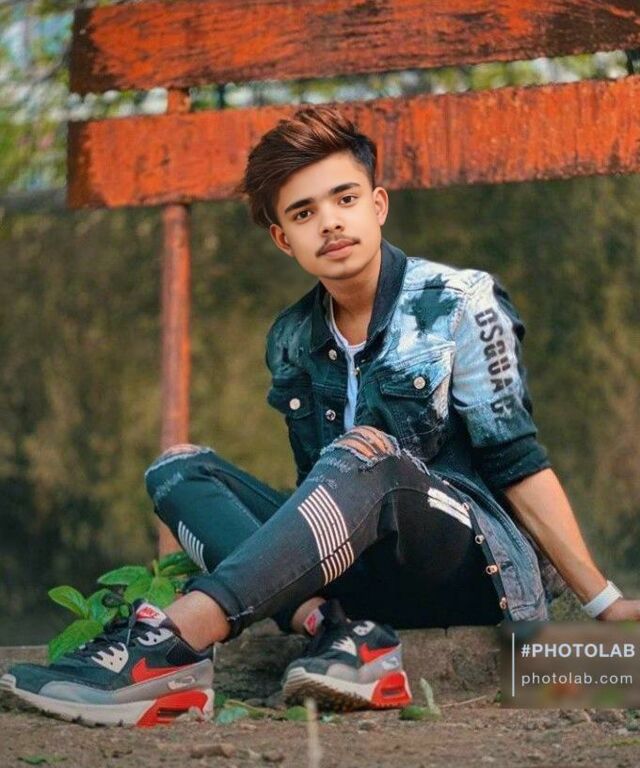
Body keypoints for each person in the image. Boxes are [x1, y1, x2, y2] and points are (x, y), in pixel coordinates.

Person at [2, 106, 635, 727]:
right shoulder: (292, 338)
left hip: (466, 568)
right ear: (284, 238)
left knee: (368, 452)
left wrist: (603, 604)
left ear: (377, 205)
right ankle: (339, 631)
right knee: (177, 471)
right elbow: (319, 495)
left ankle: (174, 642)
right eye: (304, 213)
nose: (329, 222)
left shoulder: (462, 302)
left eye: (345, 199)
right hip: (359, 569)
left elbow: (517, 463)